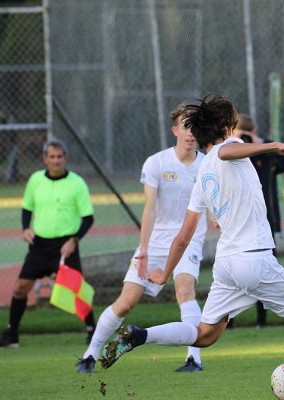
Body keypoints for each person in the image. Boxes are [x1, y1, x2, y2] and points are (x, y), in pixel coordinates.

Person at [100, 94, 284, 400]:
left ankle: (141, 335)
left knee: (205, 334)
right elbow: (228, 151)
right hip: (253, 259)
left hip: (228, 265)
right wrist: (275, 145)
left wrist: (164, 273)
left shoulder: (202, 174)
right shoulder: (228, 149)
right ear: (226, 125)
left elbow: (183, 236)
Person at [76, 104, 208, 373]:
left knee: (184, 290)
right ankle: (90, 353)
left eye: (195, 127)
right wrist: (144, 250)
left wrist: (217, 218)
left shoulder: (207, 164)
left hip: (189, 240)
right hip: (156, 243)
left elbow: (213, 199)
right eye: (186, 126)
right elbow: (149, 209)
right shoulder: (156, 163)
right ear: (175, 130)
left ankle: (194, 359)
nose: (191, 132)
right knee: (126, 302)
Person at [0, 139, 95, 349]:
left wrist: (74, 240)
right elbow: (27, 208)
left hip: (65, 246)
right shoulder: (35, 180)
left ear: (65, 158)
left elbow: (88, 218)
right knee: (20, 287)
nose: (56, 161)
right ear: (45, 159)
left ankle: (93, 332)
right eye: (52, 157)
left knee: (77, 289)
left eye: (59, 157)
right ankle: (11, 335)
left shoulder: (77, 183)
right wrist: (25, 228)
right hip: (39, 246)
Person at [227, 114, 284, 328]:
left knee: (264, 270)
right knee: (233, 271)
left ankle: (261, 321)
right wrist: (238, 141)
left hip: (264, 222)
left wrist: (261, 143)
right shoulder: (229, 154)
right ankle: (228, 321)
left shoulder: (266, 156)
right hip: (237, 221)